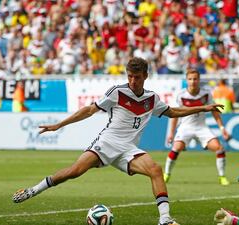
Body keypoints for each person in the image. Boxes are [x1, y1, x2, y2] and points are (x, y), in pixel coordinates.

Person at [12, 57, 225, 225]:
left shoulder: (152, 99)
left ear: (146, 76)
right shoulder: (118, 92)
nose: (133, 81)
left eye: (137, 77)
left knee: (155, 169)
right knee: (74, 171)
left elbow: (174, 111)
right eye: (130, 76)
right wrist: (60, 125)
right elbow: (88, 110)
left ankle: (164, 219)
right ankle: (33, 189)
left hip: (128, 150)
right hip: (107, 142)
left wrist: (203, 107)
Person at [164, 69, 231, 186]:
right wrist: (171, 133)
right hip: (185, 127)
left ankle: (222, 177)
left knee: (219, 148)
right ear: (186, 80)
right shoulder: (180, 95)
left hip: (201, 128)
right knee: (176, 148)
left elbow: (215, 111)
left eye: (195, 79)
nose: (193, 81)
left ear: (199, 80)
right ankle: (166, 174)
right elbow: (173, 115)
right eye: (190, 79)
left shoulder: (206, 94)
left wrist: (222, 128)